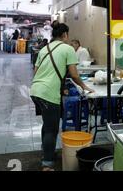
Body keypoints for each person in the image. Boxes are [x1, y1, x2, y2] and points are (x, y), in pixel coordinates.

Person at [30, 22, 93, 171]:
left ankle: (48, 153)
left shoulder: (44, 49)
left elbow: (36, 71)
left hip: (35, 90)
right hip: (48, 93)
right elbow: (74, 74)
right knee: (52, 129)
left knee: (47, 126)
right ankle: (47, 164)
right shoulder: (68, 49)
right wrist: (85, 87)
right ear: (65, 35)